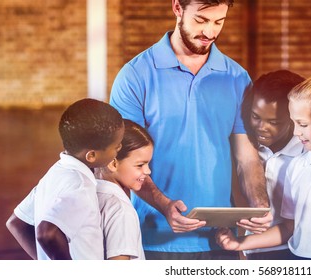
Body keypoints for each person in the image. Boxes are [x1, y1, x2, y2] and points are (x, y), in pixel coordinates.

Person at [109, 0, 271, 260]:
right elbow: (124, 161)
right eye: (201, 20)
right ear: (177, 8)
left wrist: (259, 206)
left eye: (219, 22)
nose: (210, 32)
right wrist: (164, 205)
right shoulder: (134, 76)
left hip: (220, 239)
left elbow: (247, 157)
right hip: (153, 236)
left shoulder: (237, 78)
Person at [216, 75, 311, 260]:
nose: (296, 132)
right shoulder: (298, 166)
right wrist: (239, 243)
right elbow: (291, 227)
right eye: (294, 123)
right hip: (293, 258)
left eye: (302, 124)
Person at [5, 98, 125, 260]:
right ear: (91, 155)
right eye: (116, 146)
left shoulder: (55, 172)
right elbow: (47, 233)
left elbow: (16, 223)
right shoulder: (80, 186)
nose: (120, 148)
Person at [238, 69, 305, 260]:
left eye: (273, 122)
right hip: (253, 251)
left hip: (294, 252)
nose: (261, 128)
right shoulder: (245, 148)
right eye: (256, 117)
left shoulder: (307, 154)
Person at [95, 119, 153, 260]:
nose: (148, 171)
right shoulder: (121, 210)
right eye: (140, 165)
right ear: (113, 163)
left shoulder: (86, 190)